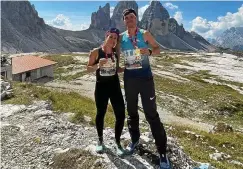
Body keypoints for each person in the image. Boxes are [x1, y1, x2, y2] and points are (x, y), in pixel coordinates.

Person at [117, 8, 171, 169]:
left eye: (132, 17)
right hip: (129, 79)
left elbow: (158, 49)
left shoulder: (144, 33)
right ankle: (134, 141)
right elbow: (115, 52)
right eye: (126, 18)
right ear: (124, 21)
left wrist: (149, 51)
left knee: (151, 114)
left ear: (136, 18)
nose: (129, 19)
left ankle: (162, 153)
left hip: (146, 79)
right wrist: (116, 66)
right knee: (131, 111)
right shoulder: (121, 37)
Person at [87, 28, 126, 157]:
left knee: (120, 114)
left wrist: (127, 68)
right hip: (101, 87)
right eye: (111, 37)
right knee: (100, 113)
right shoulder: (95, 52)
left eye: (115, 38)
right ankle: (100, 140)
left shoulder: (116, 51)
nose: (113, 40)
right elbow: (88, 68)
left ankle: (117, 142)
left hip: (115, 86)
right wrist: (98, 65)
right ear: (106, 36)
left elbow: (117, 69)